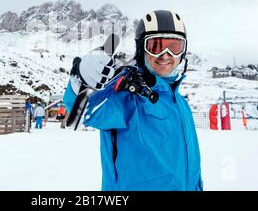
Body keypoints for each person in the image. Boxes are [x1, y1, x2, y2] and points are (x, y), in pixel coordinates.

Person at [63, 10, 203, 191]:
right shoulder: (126, 95)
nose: (166, 54)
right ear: (140, 49)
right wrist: (81, 82)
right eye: (155, 46)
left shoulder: (181, 103)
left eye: (174, 47)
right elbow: (85, 111)